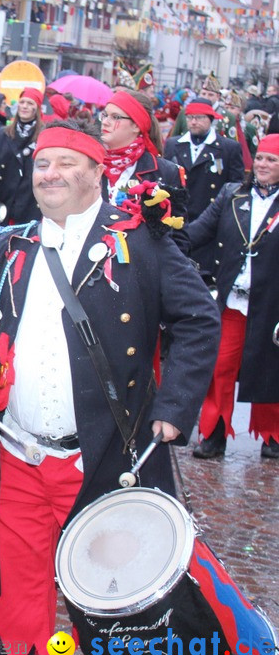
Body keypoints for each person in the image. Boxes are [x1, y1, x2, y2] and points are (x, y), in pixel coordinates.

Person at [0, 120, 219, 655]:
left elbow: (198, 319)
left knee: (115, 595)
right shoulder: (7, 243)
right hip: (15, 451)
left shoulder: (140, 241)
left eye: (68, 162)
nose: (52, 174)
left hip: (107, 456)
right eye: (43, 163)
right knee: (19, 594)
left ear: (98, 172)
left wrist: (173, 409)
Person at [184, 134, 279, 460]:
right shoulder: (232, 194)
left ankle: (273, 435)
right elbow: (199, 231)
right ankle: (214, 432)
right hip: (233, 303)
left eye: (273, 160)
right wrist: (163, 234)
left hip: (272, 306)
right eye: (262, 159)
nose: (264, 165)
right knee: (220, 368)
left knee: (271, 368)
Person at [162, 98, 243, 280]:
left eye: (199, 118)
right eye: (190, 117)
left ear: (211, 119)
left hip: (209, 227)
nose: (193, 122)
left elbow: (234, 191)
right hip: (178, 223)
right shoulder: (174, 144)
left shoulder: (228, 148)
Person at [99, 90, 185, 221]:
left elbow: (178, 235)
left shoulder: (166, 172)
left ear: (136, 126)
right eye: (105, 115)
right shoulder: (91, 165)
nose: (105, 122)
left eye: (115, 117)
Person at [0, 87, 43, 226]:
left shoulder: (44, 136)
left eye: (30, 103)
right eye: (22, 102)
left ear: (37, 109)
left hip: (29, 203)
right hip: (4, 201)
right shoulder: (3, 133)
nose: (25, 106)